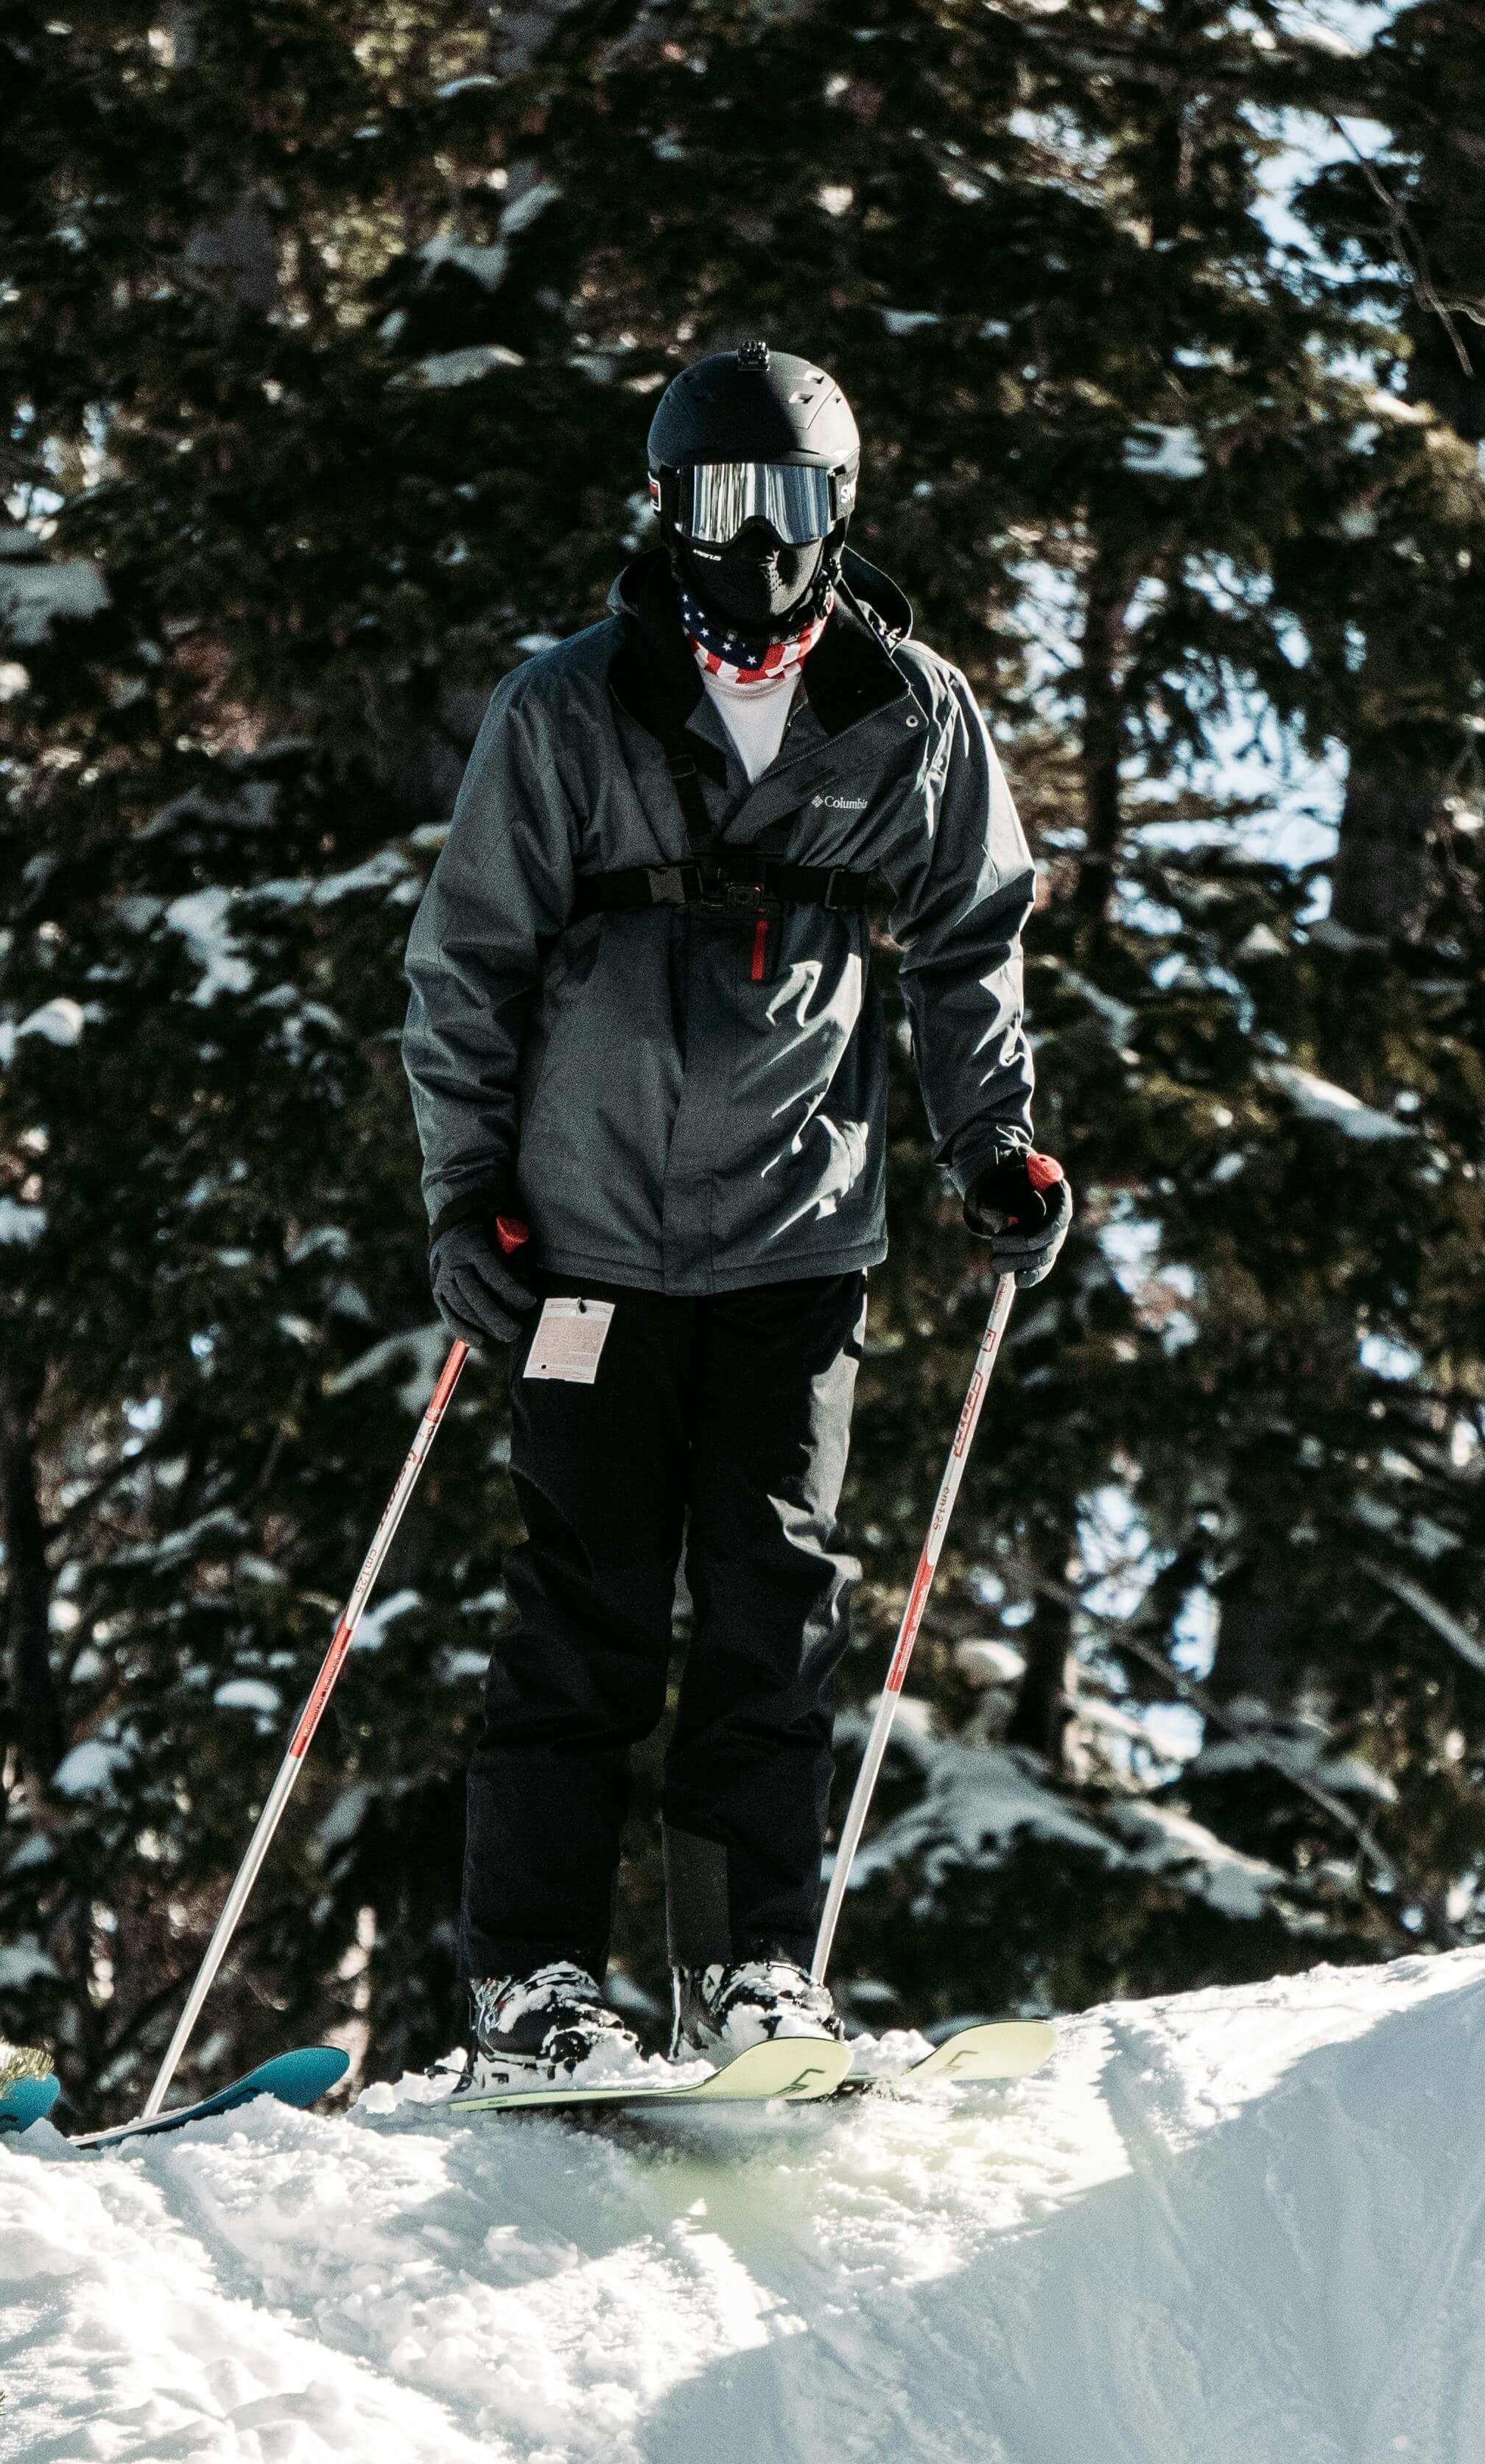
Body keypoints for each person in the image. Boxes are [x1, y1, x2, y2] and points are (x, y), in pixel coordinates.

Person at [401, 340, 1071, 2092]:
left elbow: (965, 942)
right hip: (582, 1251)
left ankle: (749, 1979)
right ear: (665, 507)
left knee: (773, 1615)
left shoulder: (908, 715)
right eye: (716, 500)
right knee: (586, 1615)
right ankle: (534, 1982)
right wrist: (466, 1192)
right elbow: (467, 963)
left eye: (784, 504)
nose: (751, 542)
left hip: (794, 1245)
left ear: (835, 516)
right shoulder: (570, 707)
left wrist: (989, 1146)